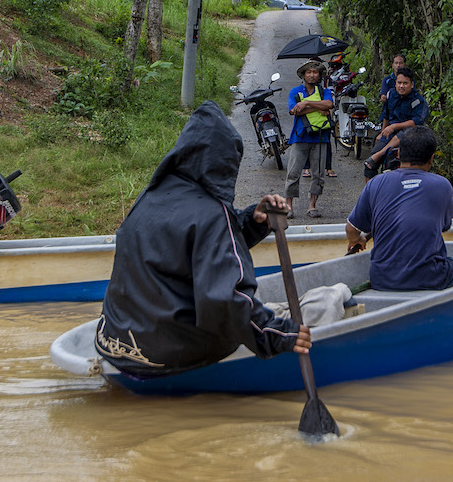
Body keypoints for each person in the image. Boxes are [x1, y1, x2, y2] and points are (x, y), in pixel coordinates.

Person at [95, 101, 311, 379]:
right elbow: (223, 301)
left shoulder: (151, 197)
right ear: (224, 163)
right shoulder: (211, 214)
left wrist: (249, 221)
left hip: (111, 343)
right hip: (169, 355)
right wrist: (276, 334)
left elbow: (193, 251)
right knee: (243, 322)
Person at [346, 126, 453, 291]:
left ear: (398, 154)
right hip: (430, 276)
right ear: (432, 159)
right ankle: (440, 300)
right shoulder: (442, 185)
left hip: (381, 279)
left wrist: (356, 239)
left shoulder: (376, 183)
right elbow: (444, 226)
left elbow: (351, 228)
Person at [286, 59, 334, 218]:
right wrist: (319, 108)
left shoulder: (324, 91)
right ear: (304, 75)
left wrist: (306, 103)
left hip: (321, 136)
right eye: (309, 72)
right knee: (293, 172)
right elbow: (294, 111)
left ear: (319, 75)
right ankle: (288, 206)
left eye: (315, 72)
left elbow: (329, 104)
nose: (312, 75)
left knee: (319, 174)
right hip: (299, 137)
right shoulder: (295, 91)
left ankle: (312, 205)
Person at [364, 66, 428, 180]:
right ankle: (371, 194)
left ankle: (382, 153)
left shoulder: (418, 101)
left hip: (410, 136)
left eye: (405, 83)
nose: (401, 86)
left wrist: (394, 126)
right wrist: (382, 132)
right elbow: (386, 114)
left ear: (412, 84)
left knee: (407, 134)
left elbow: (417, 121)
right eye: (399, 83)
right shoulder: (391, 94)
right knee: (370, 163)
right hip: (389, 134)